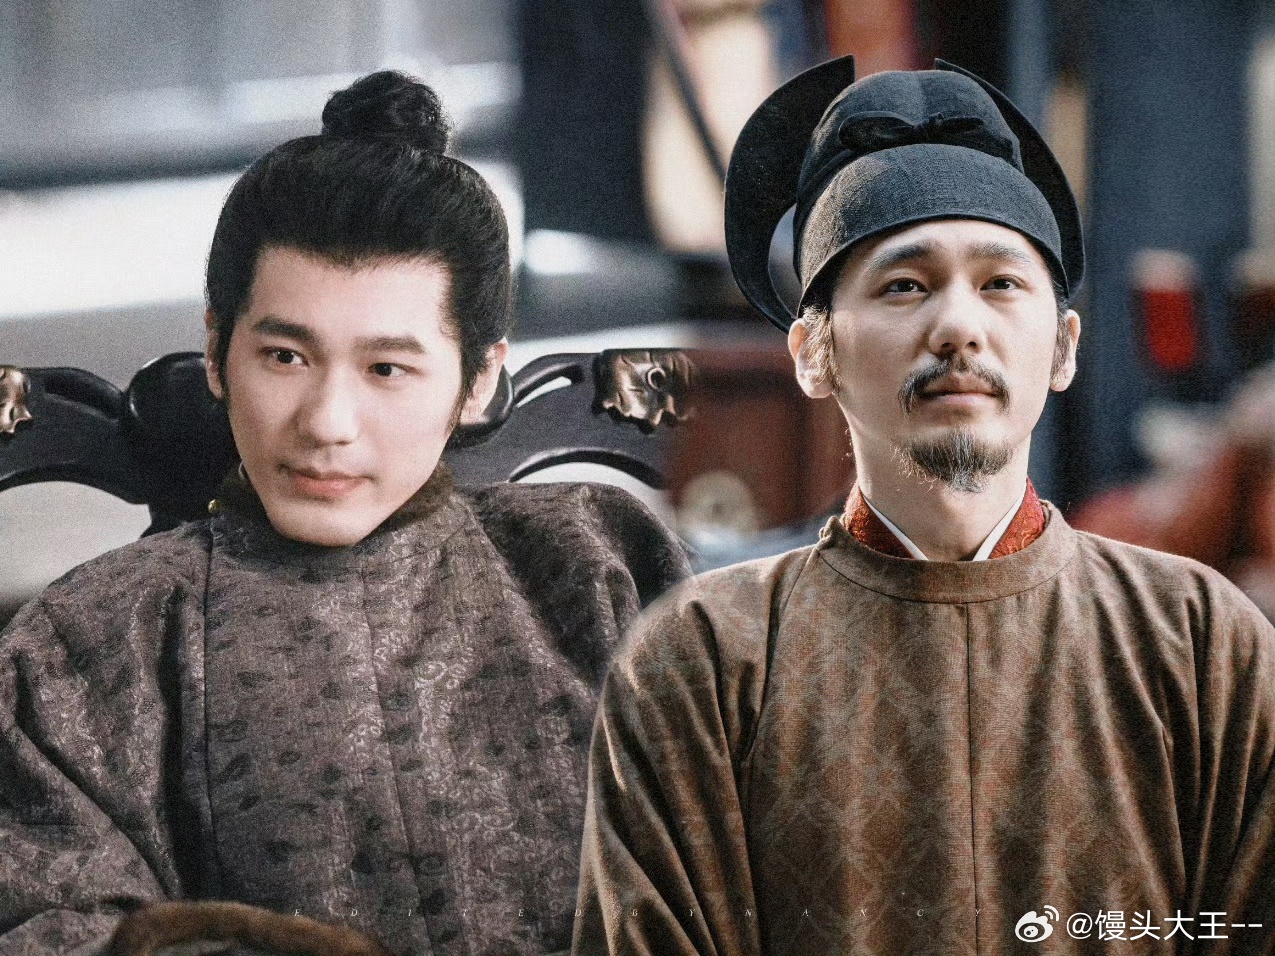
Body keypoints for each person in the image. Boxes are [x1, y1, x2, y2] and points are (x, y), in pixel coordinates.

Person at [573, 57, 1275, 955]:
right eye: (904, 284)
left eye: (1000, 283)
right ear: (812, 352)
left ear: (1063, 347)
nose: (958, 327)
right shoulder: (704, 660)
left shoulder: (1196, 639)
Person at [0, 71, 689, 956]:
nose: (327, 423)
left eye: (386, 369)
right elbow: (43, 924)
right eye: (285, 356)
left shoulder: (598, 564)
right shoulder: (89, 641)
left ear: (478, 378)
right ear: (215, 350)